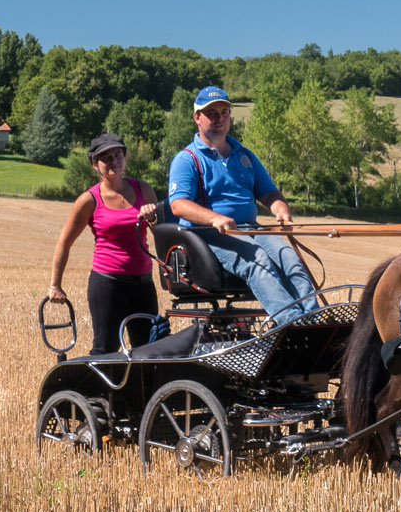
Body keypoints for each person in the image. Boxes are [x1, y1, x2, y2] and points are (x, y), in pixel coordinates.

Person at [166, 86, 318, 320]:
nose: (220, 118)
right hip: (209, 234)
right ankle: (291, 324)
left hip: (251, 229)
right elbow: (178, 205)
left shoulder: (244, 154)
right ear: (197, 117)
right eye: (212, 113)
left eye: (224, 112)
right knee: (257, 261)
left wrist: (281, 211)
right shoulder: (187, 159)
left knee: (290, 258)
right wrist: (214, 218)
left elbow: (270, 195)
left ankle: (313, 320)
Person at [46, 133, 162, 354]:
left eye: (118, 155)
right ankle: (100, 390)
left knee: (149, 349)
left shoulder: (143, 190)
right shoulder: (89, 200)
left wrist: (153, 219)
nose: (114, 161)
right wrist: (55, 285)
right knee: (106, 349)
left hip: (144, 283)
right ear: (95, 165)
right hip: (108, 284)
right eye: (106, 157)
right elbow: (64, 241)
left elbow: (162, 234)